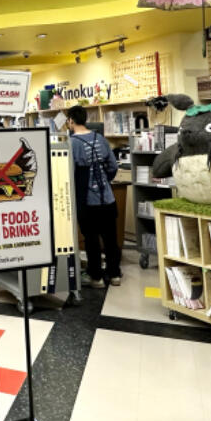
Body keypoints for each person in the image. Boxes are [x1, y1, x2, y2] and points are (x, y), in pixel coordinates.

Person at [65, 106, 121, 288]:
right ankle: (114, 275)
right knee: (110, 238)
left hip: (87, 200)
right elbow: (113, 166)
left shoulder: (72, 143)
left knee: (91, 239)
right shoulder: (100, 138)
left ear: (71, 120)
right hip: (107, 198)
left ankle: (96, 277)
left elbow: (69, 173)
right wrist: (104, 181)